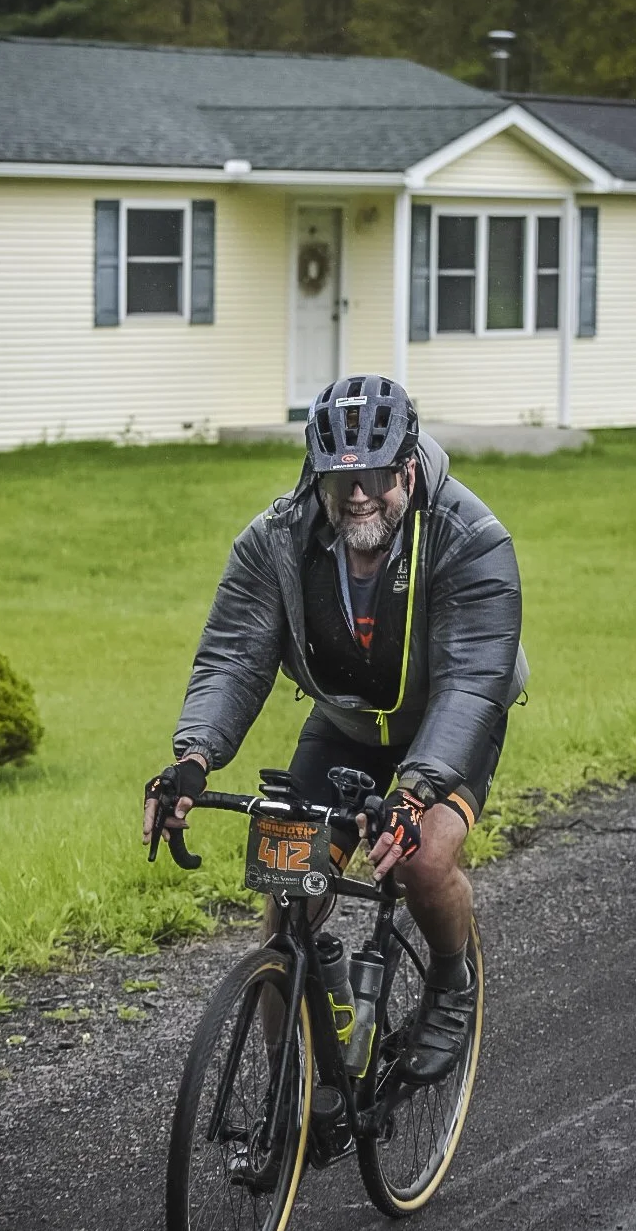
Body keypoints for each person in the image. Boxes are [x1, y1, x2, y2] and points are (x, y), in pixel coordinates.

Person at [143, 374, 526, 1083]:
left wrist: (414, 798)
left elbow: (473, 684)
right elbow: (233, 655)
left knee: (420, 858)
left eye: (376, 474)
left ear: (408, 465)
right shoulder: (277, 539)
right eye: (338, 477)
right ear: (314, 473)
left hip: (447, 720)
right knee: (291, 879)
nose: (357, 495)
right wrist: (192, 759)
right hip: (346, 721)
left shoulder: (471, 540)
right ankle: (287, 1088)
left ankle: (450, 984)